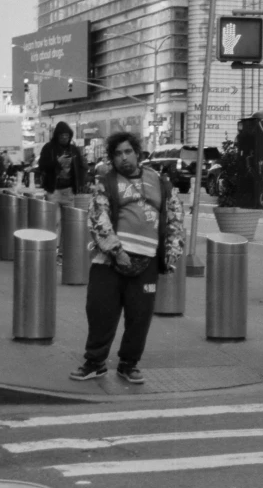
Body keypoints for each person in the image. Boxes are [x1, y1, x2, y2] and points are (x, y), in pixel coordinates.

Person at [71, 131, 184, 385]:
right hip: (110, 261)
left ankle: (128, 364)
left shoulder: (159, 181)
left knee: (140, 316)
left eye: (128, 151)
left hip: (147, 263)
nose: (124, 158)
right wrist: (117, 252)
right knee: (101, 311)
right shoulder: (106, 182)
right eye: (118, 154)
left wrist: (171, 254)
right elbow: (98, 218)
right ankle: (95, 362)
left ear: (137, 153)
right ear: (112, 158)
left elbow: (175, 216)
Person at [38, 122, 87, 261]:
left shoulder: (74, 150)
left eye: (67, 135)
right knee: (54, 221)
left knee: (68, 223)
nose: (65, 138)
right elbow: (42, 166)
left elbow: (82, 166)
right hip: (53, 190)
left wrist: (81, 183)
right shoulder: (49, 148)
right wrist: (57, 162)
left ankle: (63, 253)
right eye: (62, 135)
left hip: (68, 190)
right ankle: (51, 250)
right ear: (57, 136)